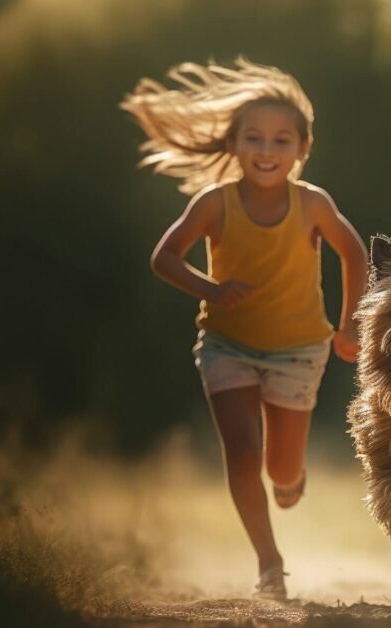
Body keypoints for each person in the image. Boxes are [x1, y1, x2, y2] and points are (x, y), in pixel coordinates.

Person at [121, 58, 368, 600]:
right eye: (253, 138)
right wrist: (210, 290)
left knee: (281, 472)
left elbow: (354, 254)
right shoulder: (214, 203)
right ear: (233, 144)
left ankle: (291, 478)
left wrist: (349, 326)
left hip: (300, 349)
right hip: (227, 346)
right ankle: (269, 562)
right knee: (242, 453)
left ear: (302, 149)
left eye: (281, 140)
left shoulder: (313, 204)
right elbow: (165, 257)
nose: (266, 150)